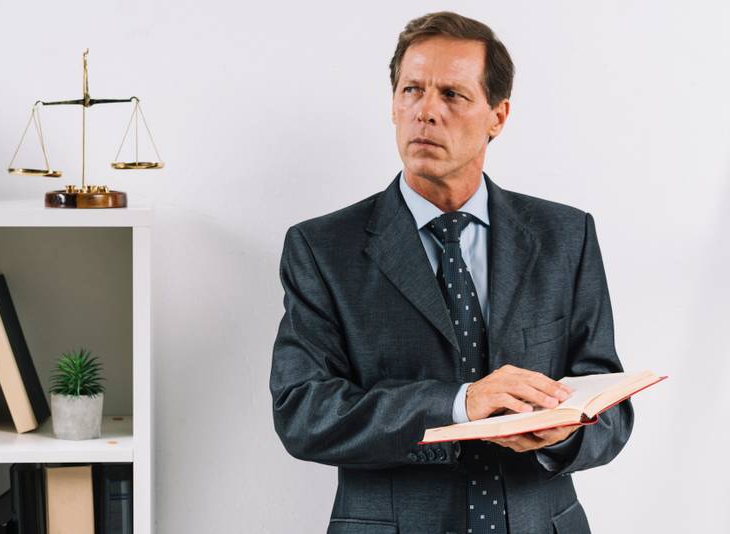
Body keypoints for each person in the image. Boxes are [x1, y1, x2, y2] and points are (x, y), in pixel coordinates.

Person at [270, 11, 632, 534]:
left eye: (452, 95)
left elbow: (611, 408)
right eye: (412, 90)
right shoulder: (323, 248)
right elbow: (303, 413)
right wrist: (459, 404)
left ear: (497, 116)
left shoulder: (565, 237)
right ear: (393, 104)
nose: (425, 111)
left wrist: (565, 434)